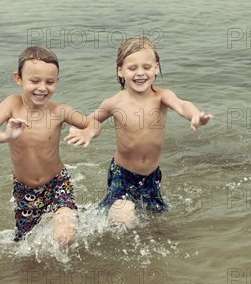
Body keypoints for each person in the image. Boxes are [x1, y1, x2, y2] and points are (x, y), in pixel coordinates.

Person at [65, 37, 212, 224]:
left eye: (146, 67)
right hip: (122, 174)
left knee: (157, 222)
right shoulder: (114, 103)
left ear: (156, 68)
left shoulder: (162, 97)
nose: (140, 73)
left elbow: (182, 105)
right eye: (132, 68)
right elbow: (91, 121)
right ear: (120, 71)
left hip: (152, 175)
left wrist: (195, 116)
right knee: (123, 217)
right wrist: (86, 131)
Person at [0, 46, 97, 245]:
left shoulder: (60, 111)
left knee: (65, 235)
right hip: (26, 190)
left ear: (57, 81)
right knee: (28, 247)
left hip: (57, 183)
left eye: (49, 82)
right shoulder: (12, 105)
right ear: (18, 78)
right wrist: (6, 135)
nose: (42, 88)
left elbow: (93, 123)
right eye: (34, 81)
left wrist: (88, 132)